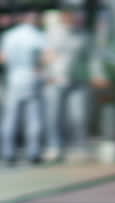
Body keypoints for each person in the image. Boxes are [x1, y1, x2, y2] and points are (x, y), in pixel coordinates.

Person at [43, 11, 92, 162]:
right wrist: (49, 74)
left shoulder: (83, 35)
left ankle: (79, 147)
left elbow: (90, 57)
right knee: (54, 116)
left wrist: (94, 75)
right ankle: (54, 146)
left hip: (77, 80)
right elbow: (46, 55)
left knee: (78, 115)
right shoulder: (52, 33)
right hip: (56, 80)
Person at [0, 11, 47, 166]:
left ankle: (8, 152)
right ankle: (33, 152)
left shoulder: (9, 35)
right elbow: (46, 57)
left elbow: (3, 58)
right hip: (31, 77)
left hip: (14, 78)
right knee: (33, 117)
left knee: (10, 117)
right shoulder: (36, 35)